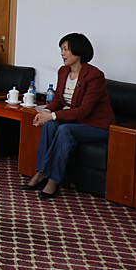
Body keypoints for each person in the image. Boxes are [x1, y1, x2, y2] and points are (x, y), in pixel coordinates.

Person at [20, 33, 115, 200]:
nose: (62, 54)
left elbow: (84, 110)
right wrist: (45, 113)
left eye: (66, 50)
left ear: (78, 52)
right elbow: (58, 99)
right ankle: (41, 172)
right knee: (50, 125)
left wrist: (53, 115)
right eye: (61, 50)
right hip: (76, 122)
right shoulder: (63, 71)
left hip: (97, 126)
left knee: (64, 130)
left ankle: (53, 180)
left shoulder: (94, 75)